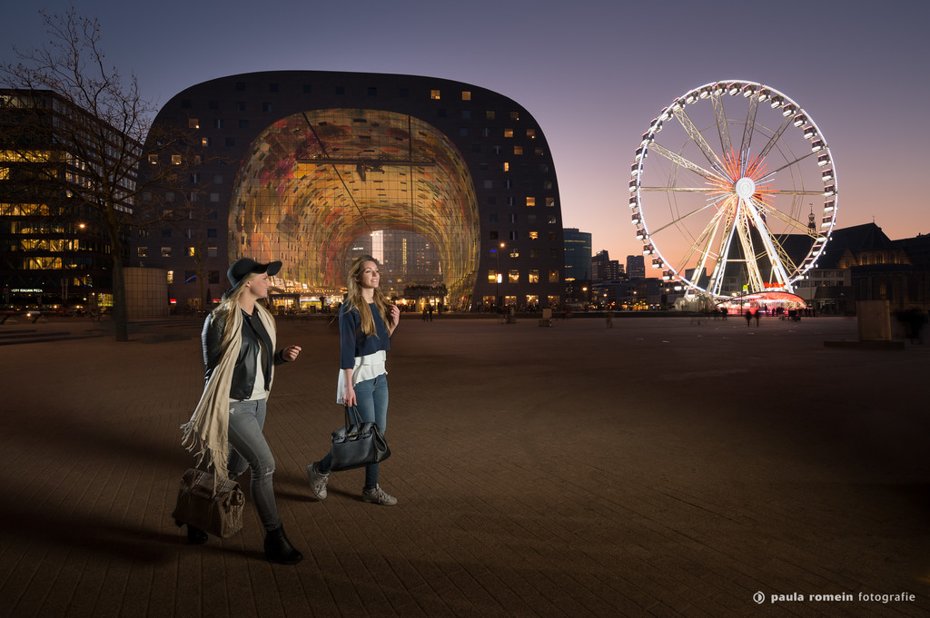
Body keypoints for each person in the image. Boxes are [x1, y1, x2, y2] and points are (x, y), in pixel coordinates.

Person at [179, 258, 304, 564]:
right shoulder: (220, 319)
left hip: (259, 402)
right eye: (264, 277)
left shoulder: (260, 316)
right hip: (233, 406)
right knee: (265, 466)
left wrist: (281, 357)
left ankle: (194, 516)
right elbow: (214, 372)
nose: (269, 282)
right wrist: (217, 410)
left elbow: (255, 360)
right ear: (247, 282)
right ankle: (275, 538)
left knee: (236, 468)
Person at [307, 255, 400, 506]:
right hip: (359, 379)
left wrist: (393, 325)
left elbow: (381, 343)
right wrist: (347, 386)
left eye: (377, 271)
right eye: (369, 271)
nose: (375, 275)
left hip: (380, 377)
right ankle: (320, 469)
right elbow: (347, 350)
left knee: (376, 435)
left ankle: (371, 488)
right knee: (364, 436)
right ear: (357, 276)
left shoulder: (380, 304)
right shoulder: (350, 307)